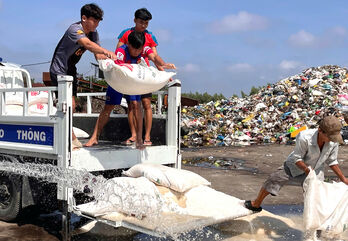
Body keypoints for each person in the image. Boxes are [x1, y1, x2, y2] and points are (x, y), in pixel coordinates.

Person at [84, 31, 175, 149]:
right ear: (129, 45)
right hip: (118, 80)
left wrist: (164, 64)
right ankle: (95, 137)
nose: (136, 52)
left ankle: (139, 139)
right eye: (134, 49)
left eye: (139, 49)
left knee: (136, 105)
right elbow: (119, 68)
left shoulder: (145, 48)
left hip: (133, 82)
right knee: (108, 108)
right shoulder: (122, 50)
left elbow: (154, 57)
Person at [244, 115, 348, 212]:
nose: (330, 140)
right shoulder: (305, 137)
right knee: (273, 180)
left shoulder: (333, 142)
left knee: (316, 199)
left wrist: (343, 179)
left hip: (316, 171)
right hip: (294, 167)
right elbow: (297, 158)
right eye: (329, 137)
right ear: (320, 130)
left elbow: (332, 161)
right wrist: (308, 171)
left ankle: (316, 227)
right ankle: (256, 204)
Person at [49, 3, 116, 149]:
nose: (97, 24)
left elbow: (97, 54)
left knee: (72, 103)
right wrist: (106, 51)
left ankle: (67, 133)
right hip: (59, 69)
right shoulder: (75, 29)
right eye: (94, 20)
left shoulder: (94, 33)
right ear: (84, 18)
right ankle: (69, 137)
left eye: (99, 21)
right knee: (68, 104)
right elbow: (87, 44)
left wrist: (111, 63)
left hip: (71, 69)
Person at [116, 8, 163, 146]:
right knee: (132, 105)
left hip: (144, 74)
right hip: (130, 75)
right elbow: (118, 52)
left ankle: (147, 137)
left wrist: (162, 71)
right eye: (141, 22)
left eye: (146, 23)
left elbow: (154, 56)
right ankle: (134, 135)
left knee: (147, 104)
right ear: (135, 20)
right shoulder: (126, 33)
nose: (143, 25)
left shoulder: (150, 36)